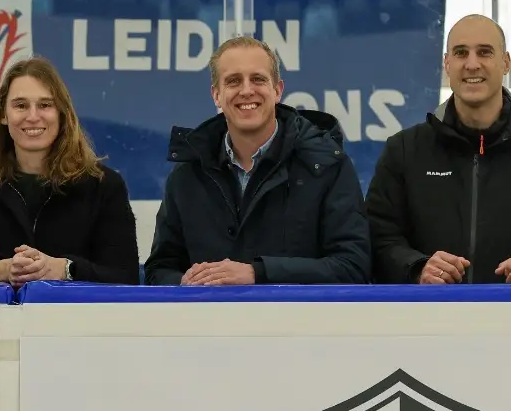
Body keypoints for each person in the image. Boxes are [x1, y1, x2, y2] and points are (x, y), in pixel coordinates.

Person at [366, 14, 511, 285]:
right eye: (461, 53)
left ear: (506, 62)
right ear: (447, 63)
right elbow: (376, 238)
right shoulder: (403, 152)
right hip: (428, 323)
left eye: (485, 52)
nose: (472, 64)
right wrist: (417, 268)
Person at [143, 35, 370, 286]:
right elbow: (159, 269)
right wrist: (185, 282)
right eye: (233, 81)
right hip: (210, 324)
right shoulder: (186, 175)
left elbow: (354, 266)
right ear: (216, 95)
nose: (247, 90)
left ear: (278, 90)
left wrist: (258, 273)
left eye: (258, 79)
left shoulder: (327, 165)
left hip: (299, 324)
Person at [0, 57, 138, 285]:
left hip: (77, 320)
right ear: (3, 115)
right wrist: (0, 269)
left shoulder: (104, 185)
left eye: (45, 105)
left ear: (62, 113)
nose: (32, 116)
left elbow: (125, 277)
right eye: (20, 105)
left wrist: (65, 269)